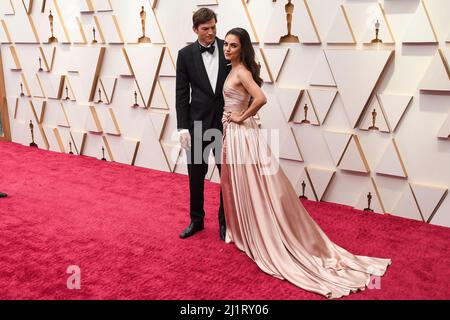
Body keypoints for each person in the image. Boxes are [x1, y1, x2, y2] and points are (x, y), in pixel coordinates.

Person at [220, 27, 391, 299]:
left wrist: (240, 117)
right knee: (245, 183)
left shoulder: (241, 72)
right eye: (226, 44)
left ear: (242, 48)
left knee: (255, 183)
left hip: (242, 133)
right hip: (235, 133)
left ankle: (266, 232)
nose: (227, 49)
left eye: (233, 45)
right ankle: (247, 228)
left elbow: (261, 98)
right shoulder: (233, 69)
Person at [176, 8, 230, 240]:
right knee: (195, 177)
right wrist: (182, 127)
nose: (210, 33)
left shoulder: (229, 48)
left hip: (224, 124)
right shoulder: (185, 54)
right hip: (196, 125)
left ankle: (224, 223)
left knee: (226, 178)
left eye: (213, 28)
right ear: (195, 30)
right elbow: (181, 93)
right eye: (205, 29)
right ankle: (196, 221)